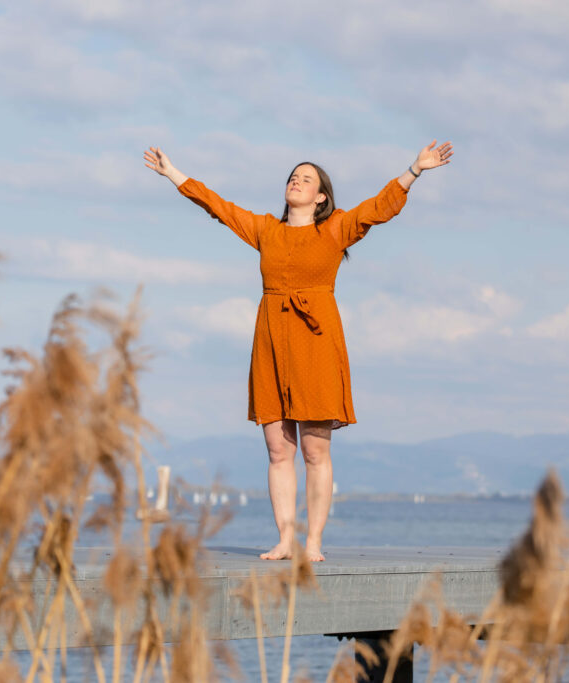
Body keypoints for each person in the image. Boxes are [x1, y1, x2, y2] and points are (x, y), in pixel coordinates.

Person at [143, 141, 453, 561]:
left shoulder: (335, 228)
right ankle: (286, 540)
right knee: (278, 450)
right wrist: (173, 172)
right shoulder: (266, 230)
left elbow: (378, 208)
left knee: (314, 449)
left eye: (307, 179)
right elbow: (218, 206)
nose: (297, 181)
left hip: (317, 339)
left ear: (321, 196)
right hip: (271, 339)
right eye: (293, 176)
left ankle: (314, 543)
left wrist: (414, 170)